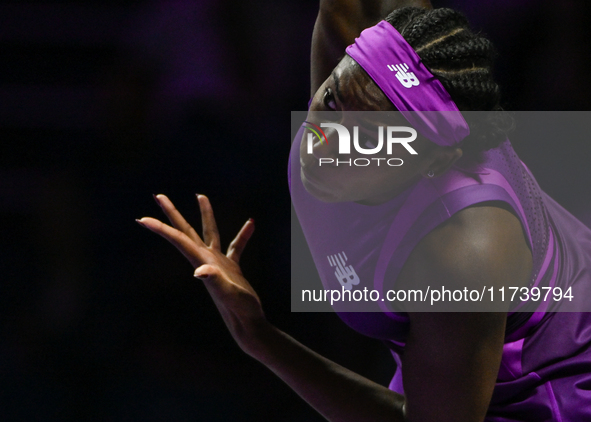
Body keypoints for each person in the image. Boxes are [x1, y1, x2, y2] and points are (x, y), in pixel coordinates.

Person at [136, 1, 591, 421]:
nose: (324, 144)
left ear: (432, 161)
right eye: (331, 100)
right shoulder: (362, 75)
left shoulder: (465, 252)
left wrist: (261, 338)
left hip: (549, 398)